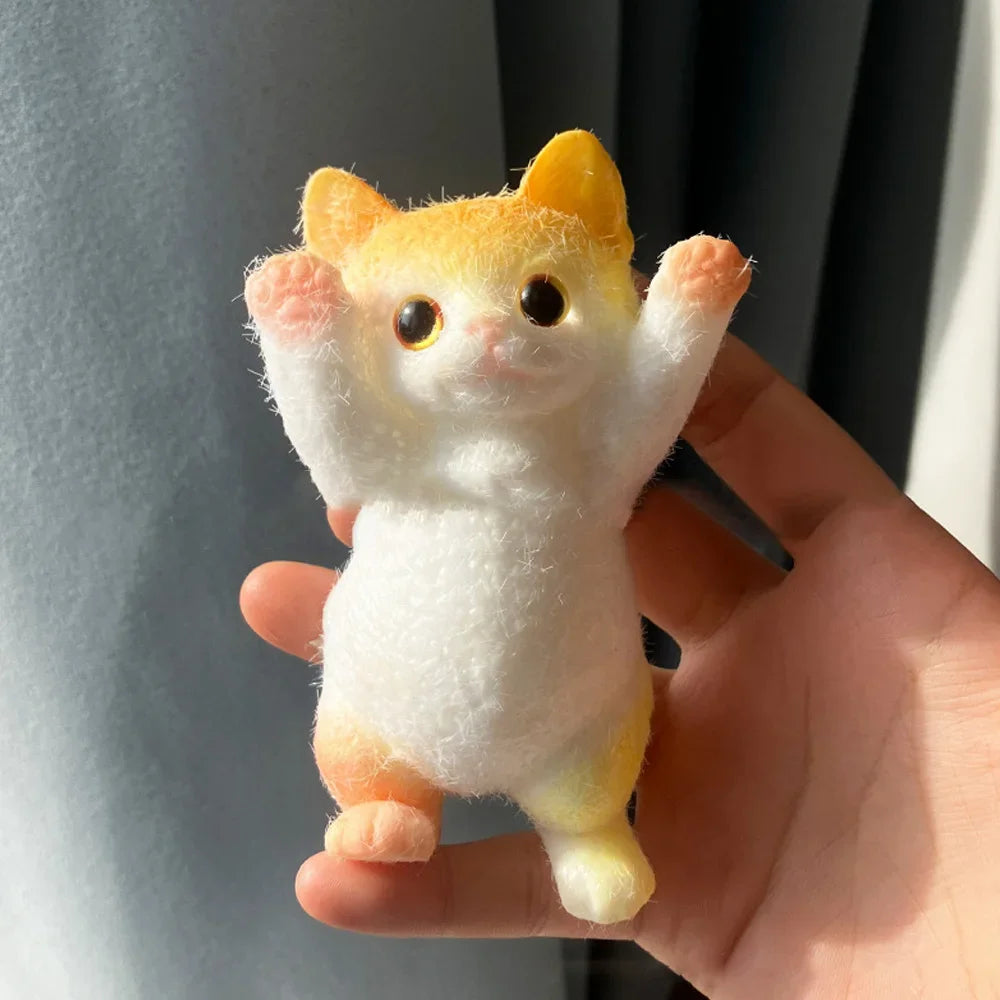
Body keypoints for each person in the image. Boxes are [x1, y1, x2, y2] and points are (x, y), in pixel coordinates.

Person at [241, 333, 1000, 999]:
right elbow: (336, 452)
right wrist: (299, 338)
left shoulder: (584, 460)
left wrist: (687, 318)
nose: (487, 337)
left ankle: (586, 832)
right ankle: (391, 803)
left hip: (574, 724)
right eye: (418, 321)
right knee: (358, 732)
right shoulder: (397, 458)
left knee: (598, 752)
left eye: (540, 302)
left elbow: (644, 416)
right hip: (387, 711)